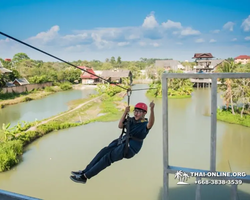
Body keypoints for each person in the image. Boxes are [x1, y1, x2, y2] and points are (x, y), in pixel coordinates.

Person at [70, 100, 155, 184]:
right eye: (135, 111)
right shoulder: (132, 120)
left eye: (139, 112)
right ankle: (84, 171)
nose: (136, 114)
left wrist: (152, 109)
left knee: (107, 158)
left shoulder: (144, 124)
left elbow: (150, 124)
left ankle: (85, 177)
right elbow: (120, 126)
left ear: (144, 113)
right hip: (122, 142)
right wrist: (125, 112)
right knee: (103, 152)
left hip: (129, 148)